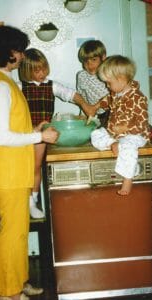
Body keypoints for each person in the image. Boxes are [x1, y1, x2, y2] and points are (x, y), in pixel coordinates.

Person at [0, 25, 59, 300]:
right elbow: (2, 137)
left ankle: (18, 281)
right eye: (19, 49)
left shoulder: (4, 81)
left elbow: (11, 125)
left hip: (14, 171)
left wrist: (34, 127)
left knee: (18, 233)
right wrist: (39, 135)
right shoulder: (1, 87)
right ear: (8, 53)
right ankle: (8, 293)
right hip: (8, 173)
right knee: (11, 235)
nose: (23, 55)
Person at [18, 48, 91, 218]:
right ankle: (21, 200)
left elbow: (71, 94)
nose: (42, 72)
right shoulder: (19, 87)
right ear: (26, 70)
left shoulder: (52, 85)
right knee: (23, 169)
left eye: (44, 68)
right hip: (22, 134)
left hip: (42, 135)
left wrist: (85, 105)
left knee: (36, 168)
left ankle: (32, 201)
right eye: (37, 70)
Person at [86, 55, 150, 196]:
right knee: (95, 134)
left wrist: (126, 128)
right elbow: (106, 100)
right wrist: (95, 106)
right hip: (115, 134)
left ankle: (128, 180)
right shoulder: (115, 93)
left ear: (121, 79)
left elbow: (142, 122)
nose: (107, 86)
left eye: (109, 83)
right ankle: (113, 144)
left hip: (135, 135)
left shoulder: (138, 98)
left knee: (128, 147)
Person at [76, 40, 110, 127]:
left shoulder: (109, 72)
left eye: (94, 60)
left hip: (112, 112)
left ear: (103, 57)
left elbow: (114, 94)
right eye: (86, 61)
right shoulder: (81, 76)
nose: (89, 65)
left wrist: (95, 107)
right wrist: (83, 115)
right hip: (94, 115)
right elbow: (82, 97)